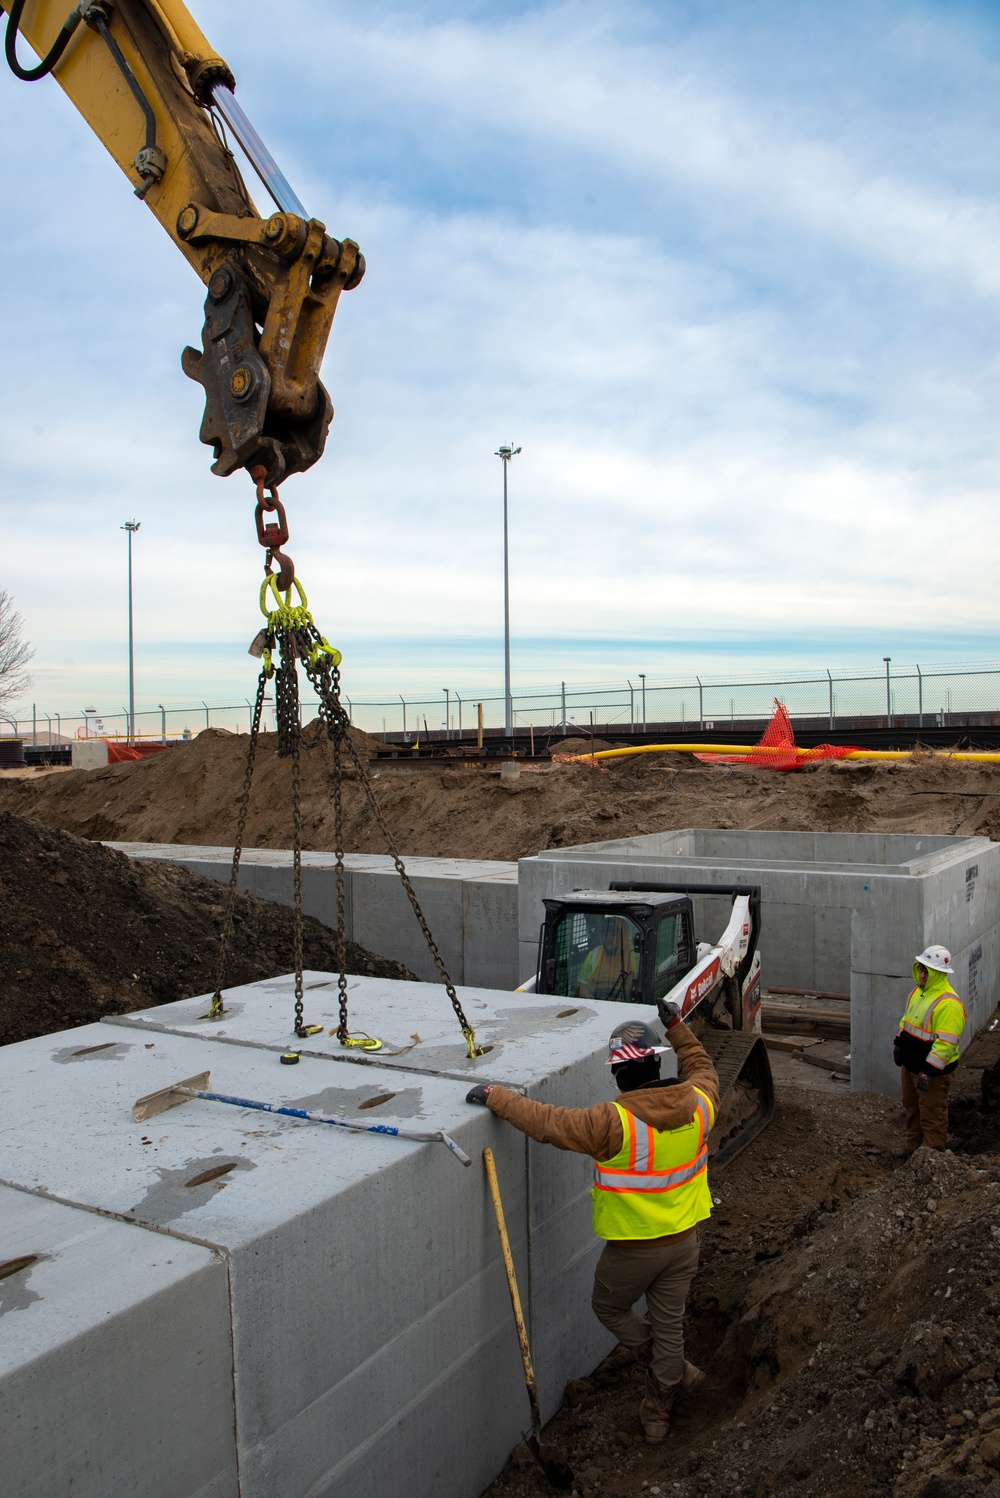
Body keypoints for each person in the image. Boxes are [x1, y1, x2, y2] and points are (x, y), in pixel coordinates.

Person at [467, 1009, 718, 1443]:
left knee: (609, 1308)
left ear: (619, 1074)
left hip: (634, 1252)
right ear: (658, 1063)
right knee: (669, 1322)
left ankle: (670, 1372)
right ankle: (659, 1405)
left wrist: (495, 1096)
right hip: (685, 1241)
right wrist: (678, 1027)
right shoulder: (700, 1104)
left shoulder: (612, 1123)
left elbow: (547, 1123)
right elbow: (702, 1067)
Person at [893, 944, 967, 1152]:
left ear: (937, 973)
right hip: (911, 1067)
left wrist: (929, 1071)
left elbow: (947, 1043)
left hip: (931, 1074)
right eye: (921, 969)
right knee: (912, 1108)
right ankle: (912, 1148)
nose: (922, 974)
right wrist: (899, 1043)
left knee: (932, 1114)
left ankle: (930, 1157)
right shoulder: (918, 992)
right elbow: (906, 1022)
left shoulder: (948, 1004)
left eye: (927, 970)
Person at [575, 917, 640, 1001]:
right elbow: (581, 983)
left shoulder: (636, 955)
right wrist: (586, 995)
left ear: (623, 935)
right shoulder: (594, 954)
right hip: (597, 1003)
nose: (609, 938)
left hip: (626, 1005)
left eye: (613, 934)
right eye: (605, 934)